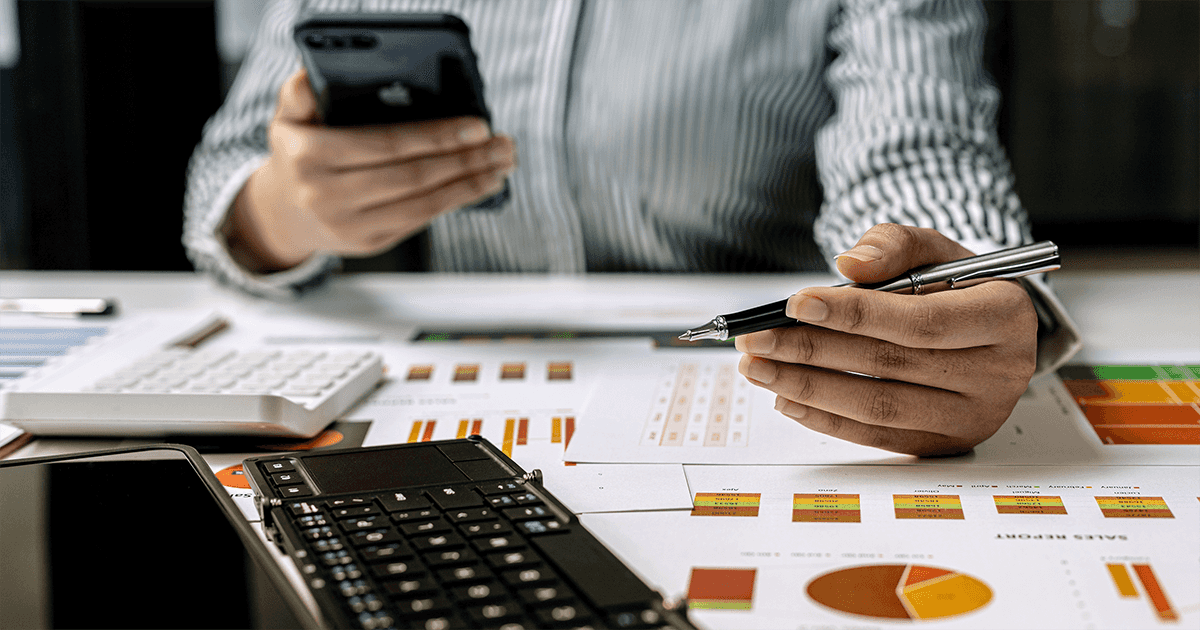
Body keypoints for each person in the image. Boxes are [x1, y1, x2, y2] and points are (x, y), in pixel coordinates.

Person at [183, 0, 1079, 456]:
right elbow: (227, 177)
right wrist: (288, 208)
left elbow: (913, 151)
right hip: (456, 392)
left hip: (780, 390)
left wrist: (964, 285)